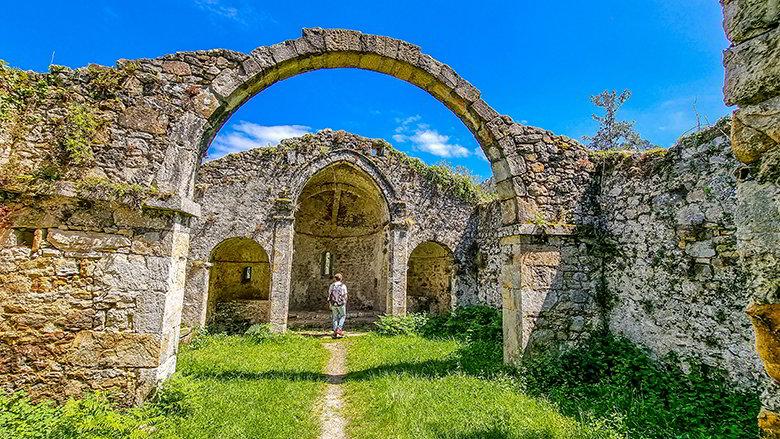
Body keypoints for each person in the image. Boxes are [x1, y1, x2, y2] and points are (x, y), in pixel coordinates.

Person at [328, 273, 348, 338]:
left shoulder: (332, 285)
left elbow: (329, 295)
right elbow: (345, 295)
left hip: (333, 303)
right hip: (341, 303)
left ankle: (335, 332)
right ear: (341, 279)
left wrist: (330, 303)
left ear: (335, 279)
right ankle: (339, 329)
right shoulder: (343, 286)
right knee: (343, 315)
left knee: (335, 317)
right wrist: (345, 302)